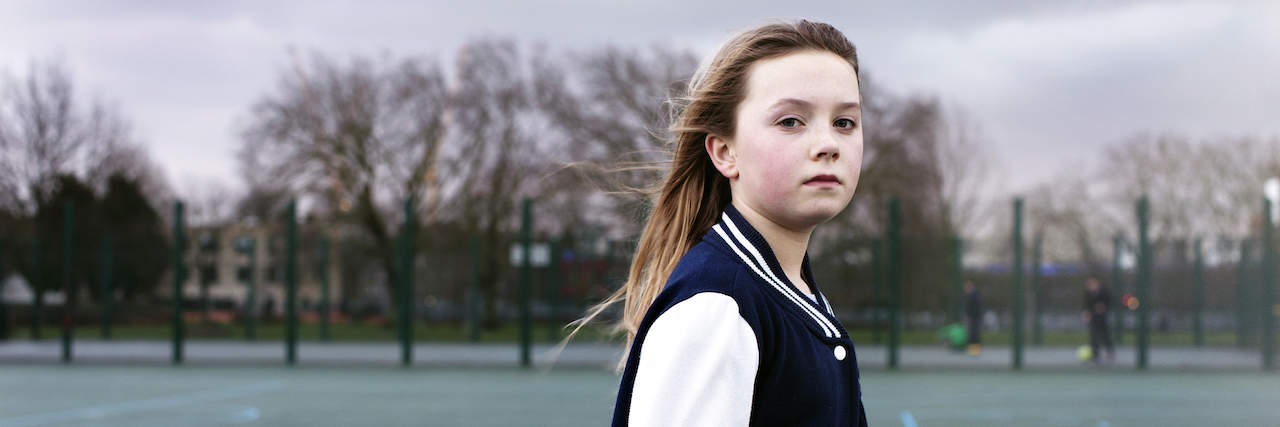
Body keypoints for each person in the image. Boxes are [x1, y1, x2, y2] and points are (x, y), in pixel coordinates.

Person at [569, 19, 867, 426]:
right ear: (725, 152)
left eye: (844, 122)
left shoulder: (788, 291)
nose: (828, 144)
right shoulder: (717, 310)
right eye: (790, 121)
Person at [1082, 277, 1115, 364]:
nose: (1091, 286)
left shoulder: (1104, 292)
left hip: (1103, 316)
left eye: (1093, 283)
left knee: (1105, 334)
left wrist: (1103, 307)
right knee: (1093, 335)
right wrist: (1087, 313)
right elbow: (1087, 305)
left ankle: (1110, 352)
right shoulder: (1088, 293)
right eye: (1089, 284)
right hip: (1093, 317)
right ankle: (1095, 354)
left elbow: (1109, 301)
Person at [964, 280, 982, 355]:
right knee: (974, 334)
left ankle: (974, 350)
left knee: (974, 334)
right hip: (975, 317)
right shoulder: (975, 295)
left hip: (974, 317)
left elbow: (974, 308)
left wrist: (969, 316)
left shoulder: (973, 296)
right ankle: (974, 349)